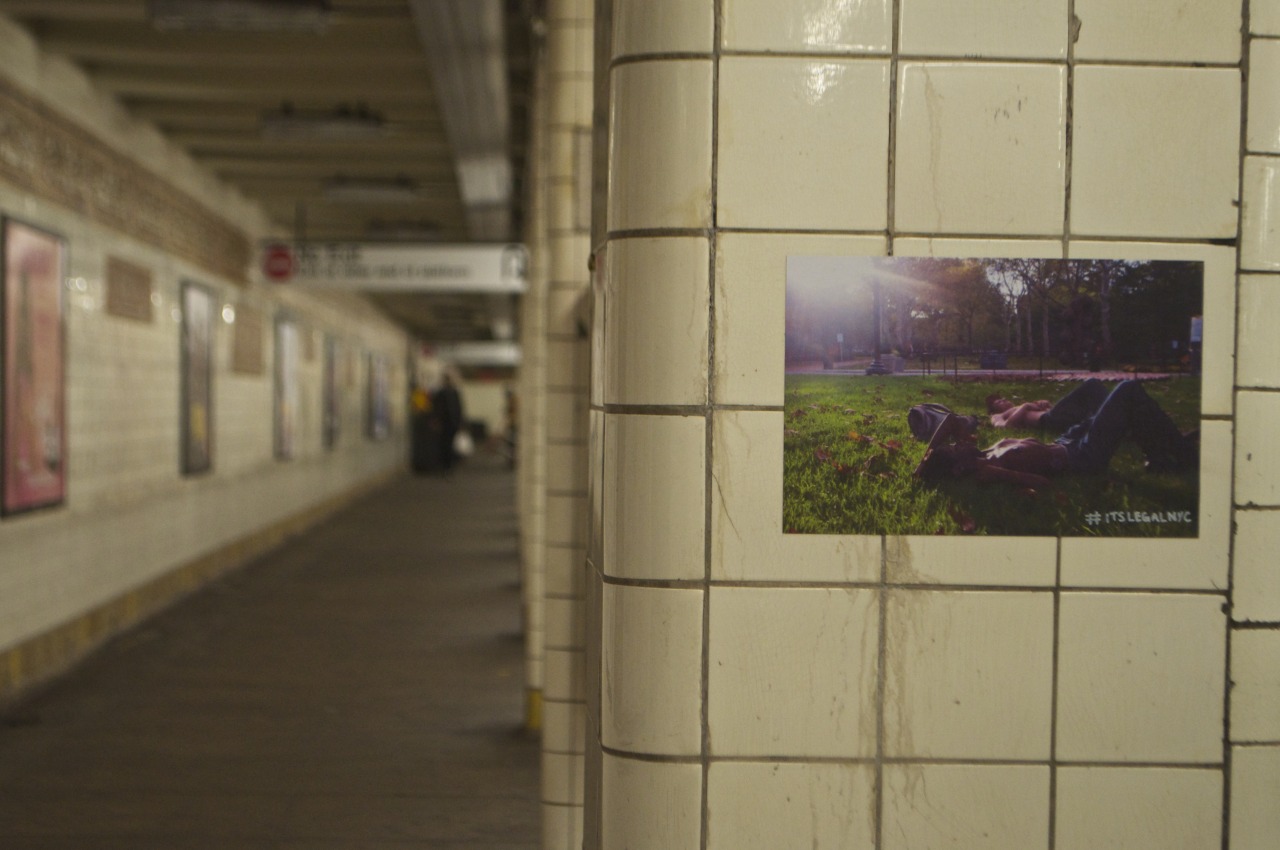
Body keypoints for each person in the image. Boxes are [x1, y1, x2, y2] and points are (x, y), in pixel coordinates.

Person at [916, 380, 1197, 486]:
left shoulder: (982, 453)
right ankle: (1180, 452)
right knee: (1127, 390)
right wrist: (1005, 475)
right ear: (958, 468)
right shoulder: (991, 467)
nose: (958, 444)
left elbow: (951, 420)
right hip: (1082, 457)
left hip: (1068, 440)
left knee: (1100, 392)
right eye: (955, 450)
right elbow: (1044, 484)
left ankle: (1160, 453)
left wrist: (922, 464)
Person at [986, 377, 1110, 431]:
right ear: (994, 410)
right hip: (1049, 420)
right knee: (1092, 384)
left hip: (1055, 414)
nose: (1004, 400)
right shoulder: (997, 416)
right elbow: (1006, 427)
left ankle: (1115, 421)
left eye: (1003, 399)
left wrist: (1045, 405)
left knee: (1093, 396)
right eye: (999, 402)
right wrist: (1026, 406)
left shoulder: (1017, 409)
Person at [432, 372, 465, 472]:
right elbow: (437, 409)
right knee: (444, 444)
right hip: (446, 423)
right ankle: (446, 463)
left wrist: (460, 422)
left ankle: (448, 463)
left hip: (451, 423)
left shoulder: (453, 392)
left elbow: (459, 408)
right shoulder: (442, 393)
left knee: (448, 443)